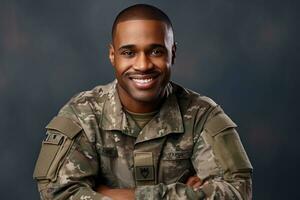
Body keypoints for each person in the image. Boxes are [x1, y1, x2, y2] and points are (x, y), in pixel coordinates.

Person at [33, 4, 253, 200]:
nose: (143, 64)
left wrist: (114, 194)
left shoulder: (201, 115)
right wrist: (187, 194)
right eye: (129, 52)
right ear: (112, 55)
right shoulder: (82, 114)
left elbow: (237, 192)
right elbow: (57, 193)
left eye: (156, 51)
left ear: (172, 53)